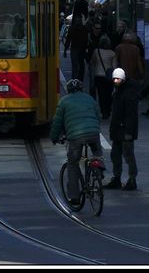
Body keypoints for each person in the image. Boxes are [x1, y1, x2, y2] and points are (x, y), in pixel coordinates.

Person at [49, 79, 103, 207]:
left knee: (73, 163)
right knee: (97, 153)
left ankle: (74, 197)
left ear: (68, 90)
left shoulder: (64, 101)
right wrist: (94, 128)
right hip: (93, 133)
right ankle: (99, 171)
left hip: (76, 136)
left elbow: (57, 122)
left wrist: (54, 137)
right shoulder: (89, 99)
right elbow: (98, 116)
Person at [105, 67, 140, 191]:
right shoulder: (120, 90)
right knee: (116, 155)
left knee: (128, 155)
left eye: (118, 79)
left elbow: (131, 114)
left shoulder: (129, 92)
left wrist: (129, 132)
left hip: (125, 129)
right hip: (118, 129)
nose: (115, 81)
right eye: (114, 79)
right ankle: (117, 177)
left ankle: (132, 179)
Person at [89, 35, 116, 119]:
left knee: (101, 95)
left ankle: (103, 111)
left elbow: (92, 63)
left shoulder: (96, 51)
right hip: (109, 77)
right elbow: (114, 66)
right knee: (108, 94)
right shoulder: (112, 53)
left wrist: (92, 76)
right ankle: (108, 110)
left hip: (98, 75)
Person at [63, 15, 90, 85]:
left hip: (79, 49)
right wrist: (65, 50)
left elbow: (68, 39)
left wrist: (65, 50)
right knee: (78, 65)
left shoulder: (80, 29)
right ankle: (76, 80)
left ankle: (76, 80)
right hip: (77, 49)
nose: (78, 21)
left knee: (79, 65)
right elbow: (68, 39)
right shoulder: (80, 28)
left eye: (79, 20)